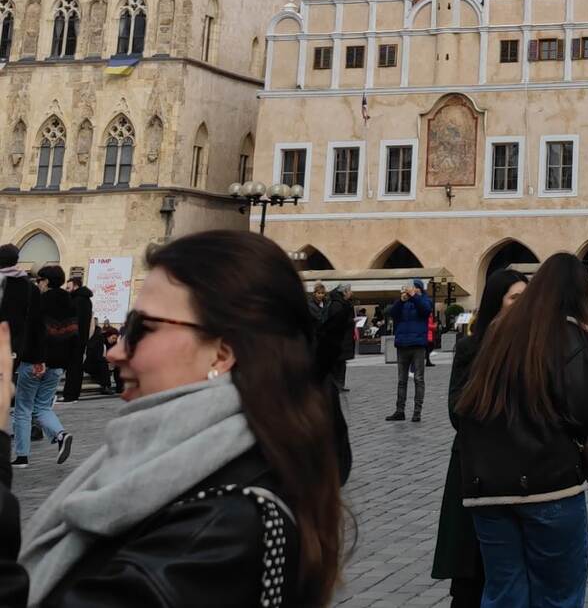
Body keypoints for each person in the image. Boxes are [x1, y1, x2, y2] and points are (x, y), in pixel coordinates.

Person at [0, 229, 345, 605]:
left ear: (220, 354)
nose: (115, 352)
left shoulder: (226, 528)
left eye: (141, 329)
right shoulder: (155, 466)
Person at [455, 253, 588, 608]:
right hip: (546, 484)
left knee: (504, 594)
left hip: (487, 490)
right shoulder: (566, 333)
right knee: (558, 595)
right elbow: (586, 411)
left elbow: (463, 405)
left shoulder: (496, 330)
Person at [433, 267, 528, 608]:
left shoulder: (536, 349)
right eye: (515, 298)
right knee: (472, 570)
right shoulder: (471, 347)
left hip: (523, 472)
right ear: (496, 302)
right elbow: (457, 412)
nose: (522, 305)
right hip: (476, 469)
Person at [13, 266, 79, 469]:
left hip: (35, 362)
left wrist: (38, 359)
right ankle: (60, 434)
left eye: (40, 280)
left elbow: (35, 333)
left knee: (23, 408)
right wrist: (66, 364)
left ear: (47, 282)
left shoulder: (39, 303)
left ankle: (22, 456)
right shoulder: (71, 304)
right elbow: (72, 338)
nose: (38, 283)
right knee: (42, 406)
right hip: (57, 365)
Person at [387, 278, 435, 423]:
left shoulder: (425, 300)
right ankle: (400, 411)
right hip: (402, 344)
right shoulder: (404, 302)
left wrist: (414, 297)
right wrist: (401, 301)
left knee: (418, 379)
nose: (407, 290)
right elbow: (392, 314)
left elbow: (425, 311)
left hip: (418, 345)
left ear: (418, 289)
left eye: (411, 288)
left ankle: (417, 412)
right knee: (402, 380)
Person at [317, 283, 356, 393]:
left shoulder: (343, 303)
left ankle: (339, 385)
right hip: (339, 339)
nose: (351, 293)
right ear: (344, 292)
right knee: (337, 364)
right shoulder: (337, 305)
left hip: (343, 338)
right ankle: (336, 386)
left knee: (341, 363)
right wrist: (351, 321)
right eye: (349, 291)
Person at [59, 278, 92, 405]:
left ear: (76, 286)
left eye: (69, 287)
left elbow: (73, 320)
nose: (67, 290)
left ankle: (70, 395)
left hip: (74, 339)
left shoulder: (78, 300)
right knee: (75, 368)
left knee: (73, 368)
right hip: (80, 339)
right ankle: (72, 395)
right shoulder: (85, 300)